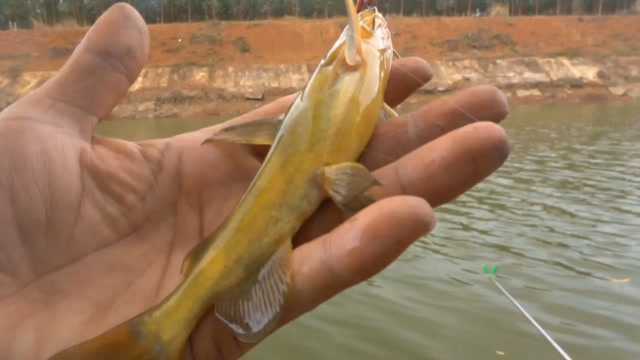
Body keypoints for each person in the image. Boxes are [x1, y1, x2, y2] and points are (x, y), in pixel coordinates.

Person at [0, 4, 510, 359]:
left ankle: (162, 329)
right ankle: (161, 330)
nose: (372, 30)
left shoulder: (356, 69)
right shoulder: (351, 65)